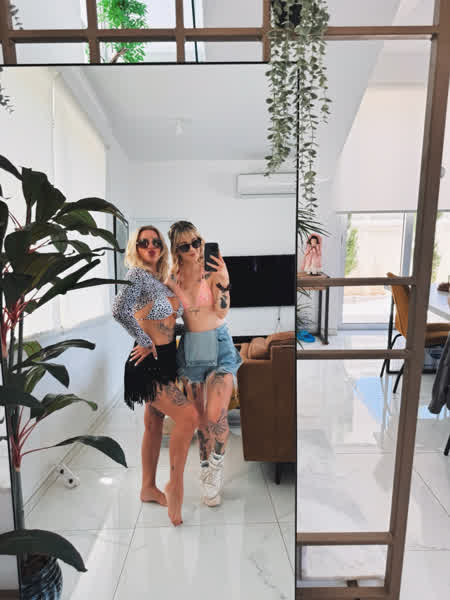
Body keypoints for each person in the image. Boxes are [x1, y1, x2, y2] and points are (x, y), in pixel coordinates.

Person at [112, 225, 198, 526]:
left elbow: (166, 320)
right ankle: (175, 487)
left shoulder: (159, 281)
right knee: (188, 417)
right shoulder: (137, 275)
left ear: (162, 248)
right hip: (147, 363)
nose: (150, 246)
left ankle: (148, 487)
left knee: (153, 423)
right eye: (143, 242)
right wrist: (145, 340)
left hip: (166, 361)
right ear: (135, 248)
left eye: (155, 242)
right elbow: (119, 310)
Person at [167, 220, 242, 507]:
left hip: (220, 344)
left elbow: (222, 312)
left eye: (196, 242)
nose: (193, 249)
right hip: (191, 349)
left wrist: (223, 280)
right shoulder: (171, 278)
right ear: (176, 249)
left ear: (202, 241)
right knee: (199, 419)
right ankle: (204, 468)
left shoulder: (214, 270)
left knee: (216, 416)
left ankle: (217, 467)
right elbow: (167, 316)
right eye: (184, 246)